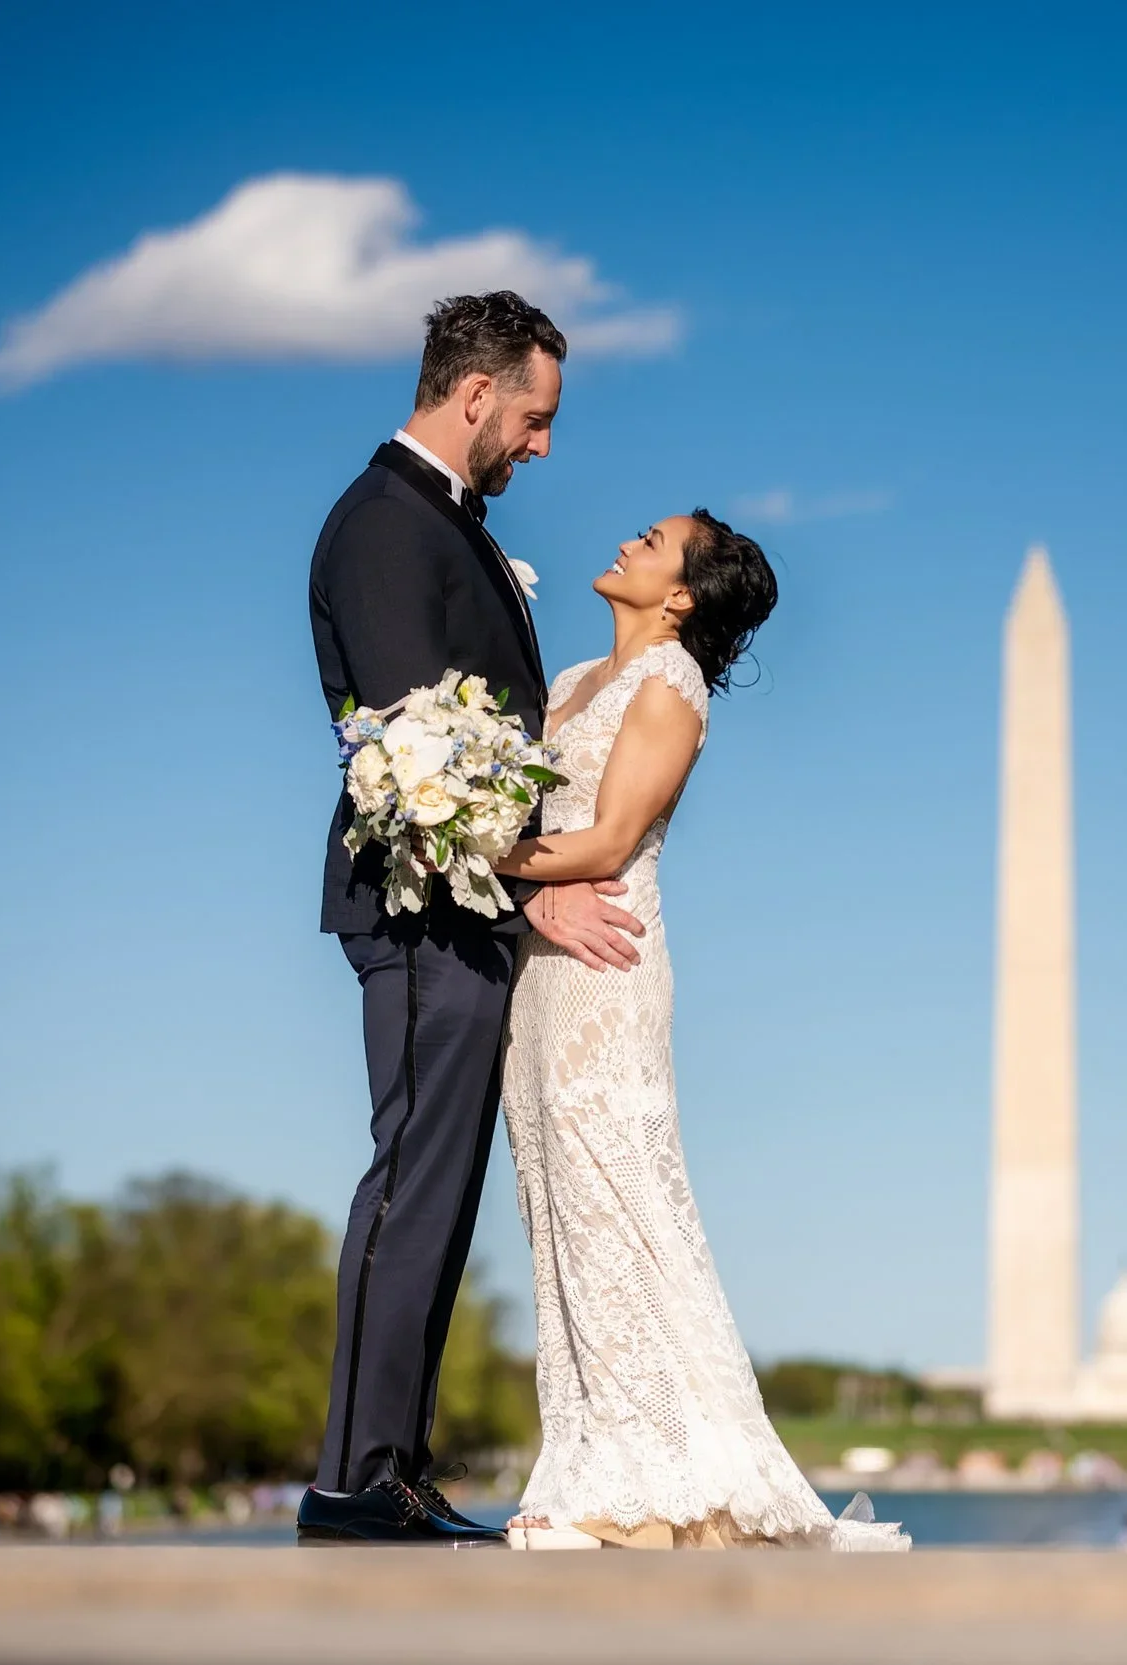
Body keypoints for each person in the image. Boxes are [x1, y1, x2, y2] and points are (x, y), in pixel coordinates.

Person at [298, 291, 643, 1547]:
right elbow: (411, 747)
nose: (542, 447)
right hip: (422, 909)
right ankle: (351, 1478)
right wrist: (534, 881)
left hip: (461, 911)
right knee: (412, 1182)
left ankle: (394, 1465)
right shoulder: (387, 526)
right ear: (477, 392)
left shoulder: (444, 522)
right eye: (537, 420)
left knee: (439, 1192)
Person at [492, 513, 904, 1551]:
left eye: (654, 540)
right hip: (538, 975)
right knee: (559, 1207)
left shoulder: (669, 685)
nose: (628, 540)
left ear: (681, 596)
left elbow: (611, 837)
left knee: (617, 1195)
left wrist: (469, 850)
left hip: (605, 973)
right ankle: (593, 1457)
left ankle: (643, 1485)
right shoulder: (574, 678)